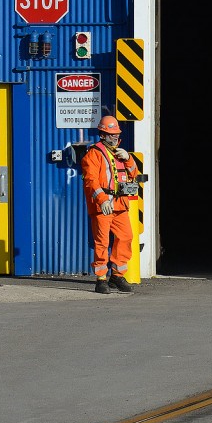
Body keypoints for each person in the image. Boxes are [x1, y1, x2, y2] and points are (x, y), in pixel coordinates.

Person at [81, 114, 140, 294]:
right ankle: (101, 279)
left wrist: (128, 158)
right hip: (103, 205)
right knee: (102, 241)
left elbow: (134, 174)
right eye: (111, 134)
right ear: (102, 135)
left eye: (116, 134)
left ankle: (117, 275)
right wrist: (102, 200)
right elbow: (91, 181)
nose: (115, 137)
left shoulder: (120, 153)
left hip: (120, 204)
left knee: (125, 237)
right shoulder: (93, 154)